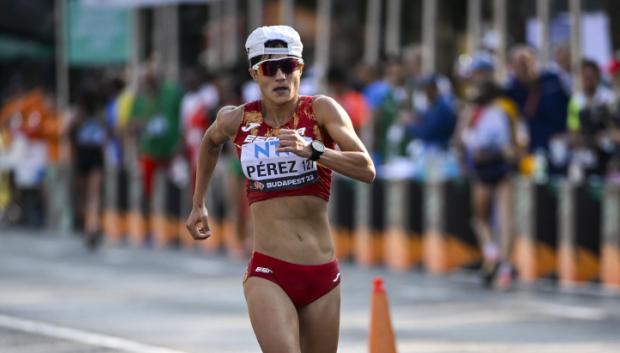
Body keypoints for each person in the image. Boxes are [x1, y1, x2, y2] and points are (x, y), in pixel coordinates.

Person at [185, 25, 375, 352]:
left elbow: (367, 168)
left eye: (288, 67)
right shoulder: (238, 119)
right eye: (269, 69)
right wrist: (198, 202)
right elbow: (210, 142)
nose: (280, 77)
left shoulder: (321, 111)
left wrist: (315, 151)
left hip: (322, 274)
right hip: (269, 271)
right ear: (254, 74)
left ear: (299, 70)